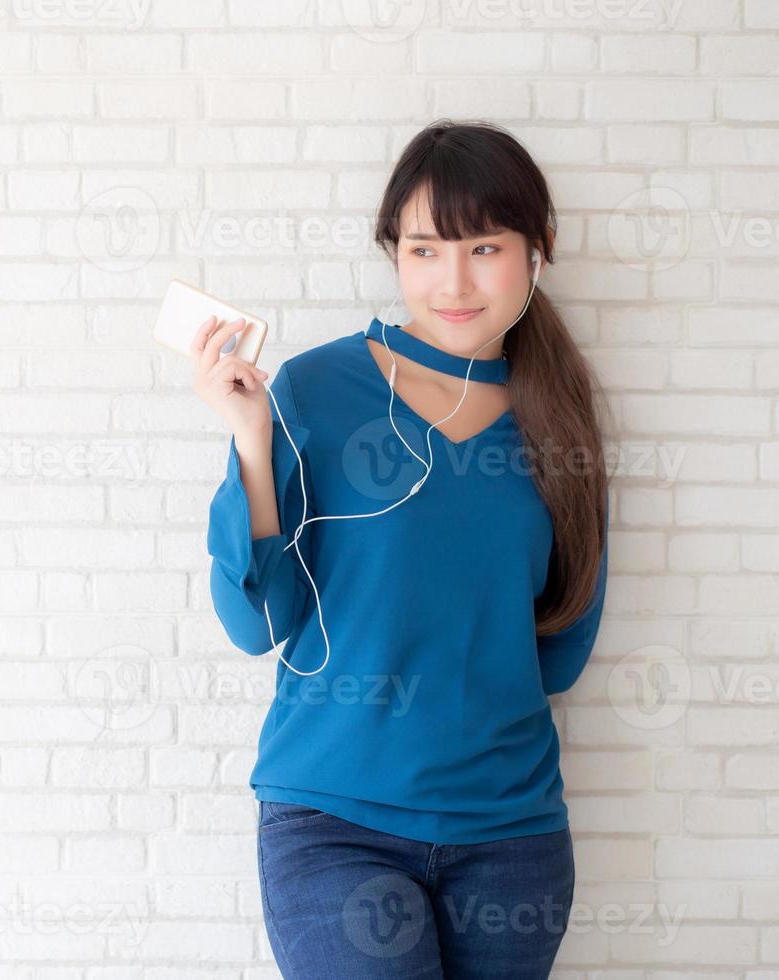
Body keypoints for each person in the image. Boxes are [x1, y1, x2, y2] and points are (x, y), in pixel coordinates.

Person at [191, 120, 611, 979]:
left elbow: (561, 651)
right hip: (334, 825)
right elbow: (256, 620)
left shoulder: (561, 423)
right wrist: (250, 442)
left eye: (484, 248)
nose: (451, 282)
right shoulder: (314, 390)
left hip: (511, 838)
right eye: (423, 251)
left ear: (540, 251)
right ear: (394, 256)